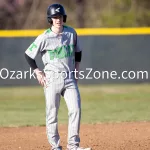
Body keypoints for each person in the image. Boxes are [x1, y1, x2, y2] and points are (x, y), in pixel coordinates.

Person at [24, 3, 91, 150]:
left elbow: (78, 52)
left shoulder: (71, 33)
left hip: (69, 78)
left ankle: (73, 146)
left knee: (76, 109)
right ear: (50, 19)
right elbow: (29, 55)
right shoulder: (44, 37)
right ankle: (55, 146)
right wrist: (37, 71)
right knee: (52, 114)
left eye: (60, 16)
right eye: (54, 17)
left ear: (64, 17)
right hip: (52, 79)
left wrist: (77, 69)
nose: (58, 19)